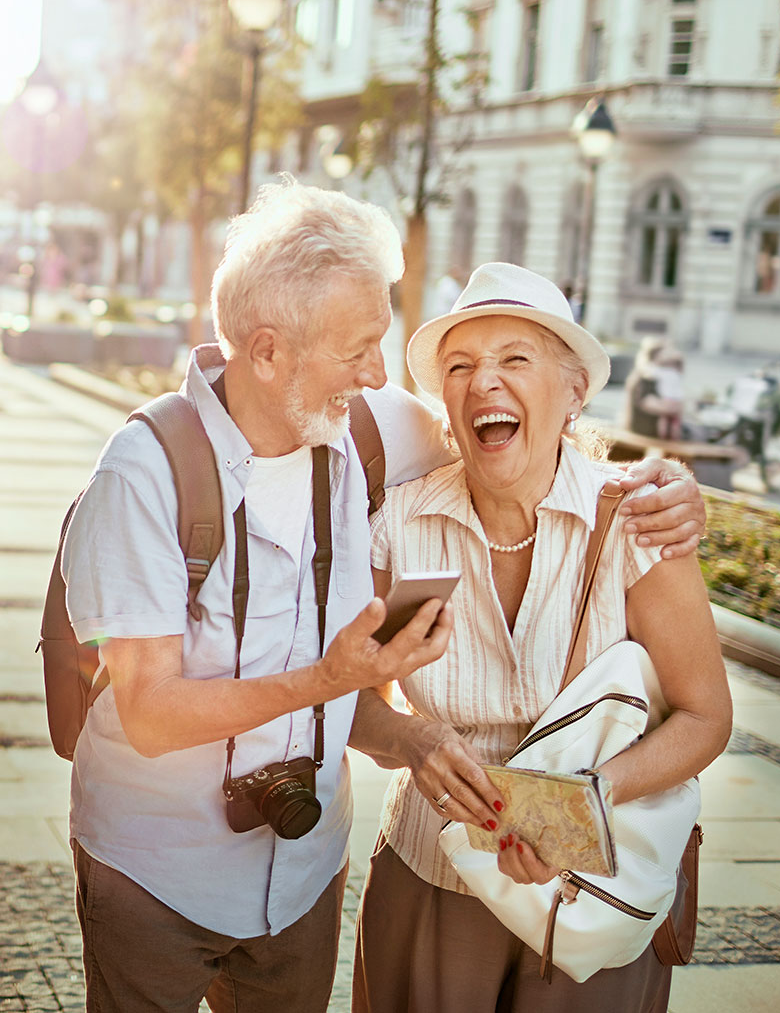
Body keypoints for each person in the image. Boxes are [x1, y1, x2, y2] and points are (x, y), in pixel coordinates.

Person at [60, 182, 709, 1013]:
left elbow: (525, 440)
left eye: (385, 345)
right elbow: (151, 713)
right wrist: (360, 702)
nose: (377, 373)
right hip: (158, 865)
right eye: (359, 348)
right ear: (267, 352)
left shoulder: (375, 428)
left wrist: (671, 486)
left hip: (302, 876)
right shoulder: (145, 474)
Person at [348, 262, 733, 1013]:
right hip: (435, 875)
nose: (482, 381)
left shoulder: (634, 520)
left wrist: (579, 805)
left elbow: (705, 716)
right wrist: (409, 740)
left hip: (596, 886)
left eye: (514, 359)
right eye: (460, 366)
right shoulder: (402, 528)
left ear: (573, 390)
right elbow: (355, 693)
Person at [622, 338, 685, 441]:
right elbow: (654, 405)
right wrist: (675, 406)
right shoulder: (645, 379)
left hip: (652, 431)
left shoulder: (659, 378)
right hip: (644, 431)